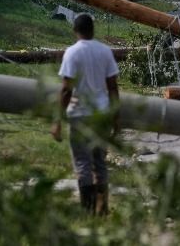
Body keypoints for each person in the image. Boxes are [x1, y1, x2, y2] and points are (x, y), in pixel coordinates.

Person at [52, 13, 120, 215]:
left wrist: (57, 120)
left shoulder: (72, 53)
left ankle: (88, 210)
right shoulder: (105, 51)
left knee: (82, 162)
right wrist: (116, 117)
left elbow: (66, 89)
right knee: (99, 162)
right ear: (93, 30)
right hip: (101, 113)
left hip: (80, 114)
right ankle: (103, 207)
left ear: (75, 31)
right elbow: (113, 87)